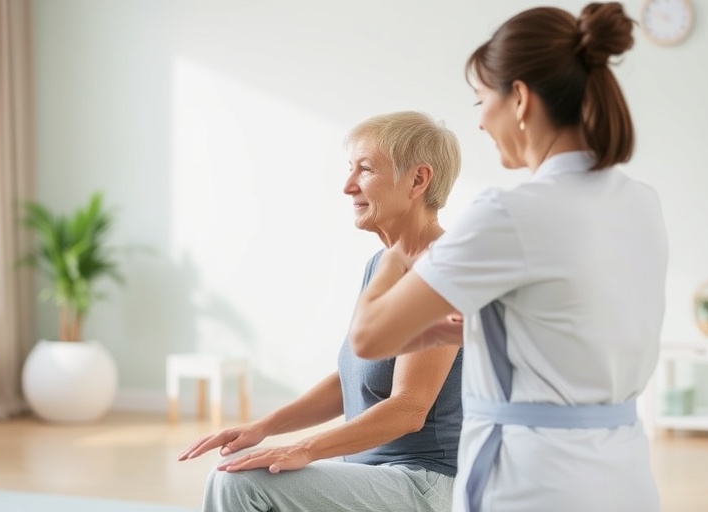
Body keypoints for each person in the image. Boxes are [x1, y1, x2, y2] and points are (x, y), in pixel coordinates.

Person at [347, 3, 666, 512]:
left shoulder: (510, 213)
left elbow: (369, 337)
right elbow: (582, 322)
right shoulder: (641, 202)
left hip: (532, 484)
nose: (479, 125)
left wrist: (396, 257)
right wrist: (489, 329)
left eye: (480, 101)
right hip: (624, 475)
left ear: (518, 98)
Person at [178, 111, 464, 512]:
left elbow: (409, 408)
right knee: (244, 467)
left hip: (424, 485)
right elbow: (351, 378)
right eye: (351, 169)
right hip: (377, 476)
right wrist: (264, 428)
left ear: (418, 180)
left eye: (364, 170)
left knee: (240, 483)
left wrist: (303, 449)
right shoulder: (383, 266)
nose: (348, 186)